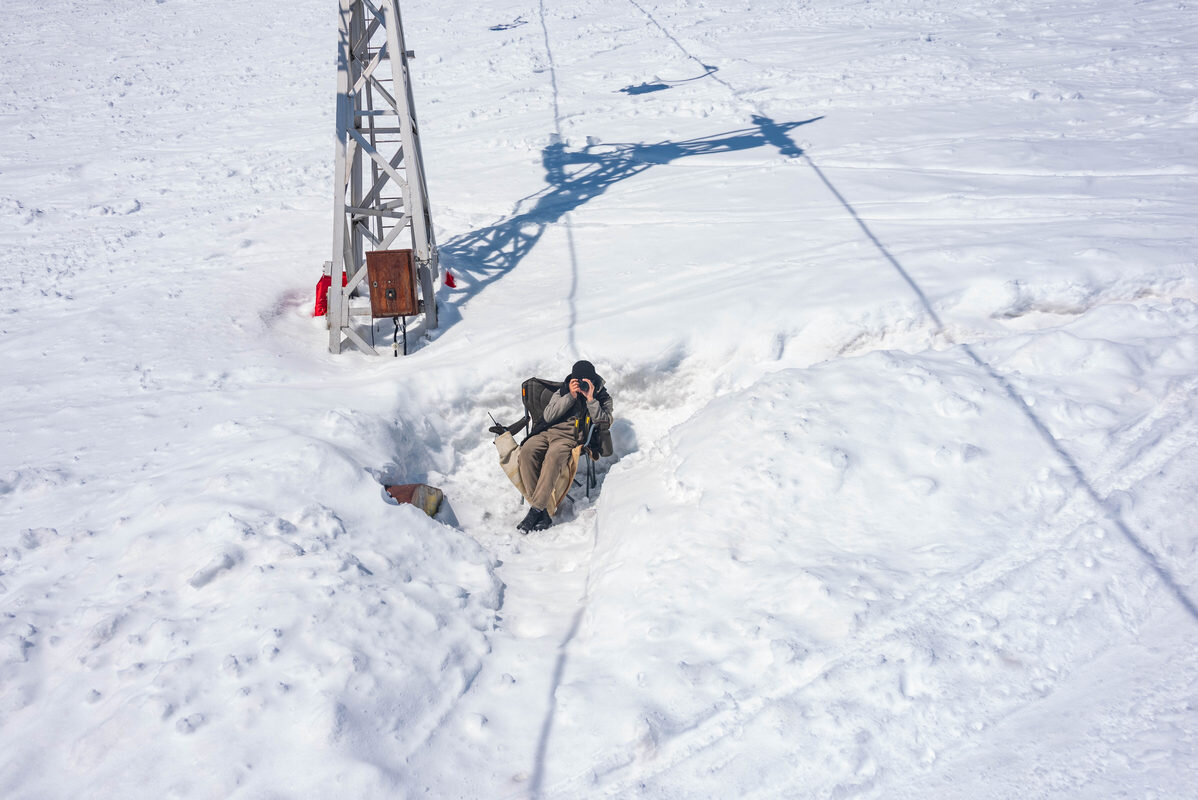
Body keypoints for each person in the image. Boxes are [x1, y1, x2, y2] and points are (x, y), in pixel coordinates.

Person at [516, 360, 614, 532]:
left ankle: (535, 510)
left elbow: (604, 422)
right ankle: (543, 511)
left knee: (553, 457)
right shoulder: (564, 389)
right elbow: (548, 415)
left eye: (586, 381)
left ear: (593, 380)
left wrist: (591, 399)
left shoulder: (602, 396)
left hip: (569, 437)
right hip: (547, 432)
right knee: (526, 451)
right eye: (579, 381)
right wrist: (570, 395)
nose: (582, 385)